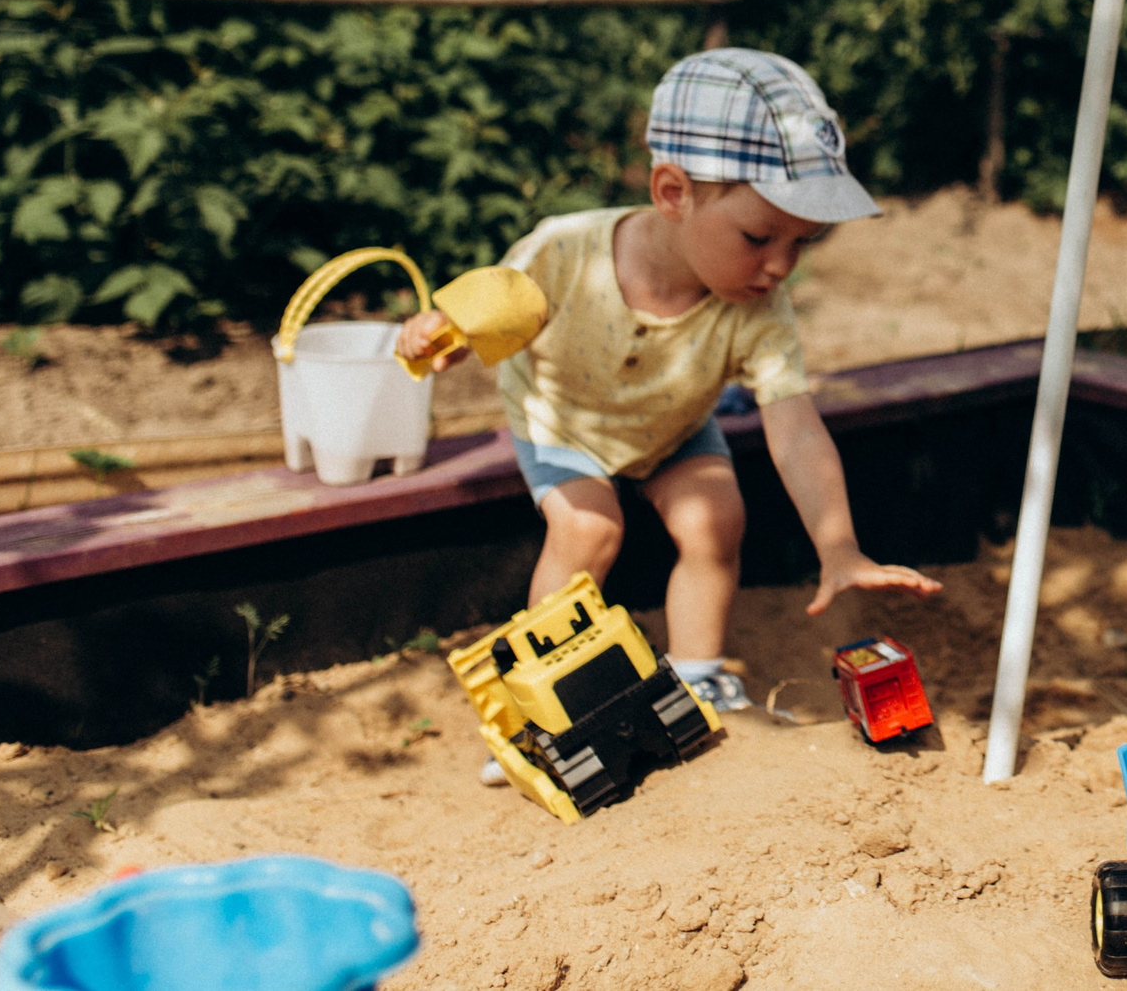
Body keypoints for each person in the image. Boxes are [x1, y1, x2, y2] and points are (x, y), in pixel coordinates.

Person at [399, 48, 941, 772]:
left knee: (715, 517)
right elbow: (489, 310)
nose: (781, 265)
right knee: (588, 528)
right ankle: (543, 710)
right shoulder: (564, 251)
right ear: (672, 191)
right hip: (562, 422)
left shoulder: (759, 309)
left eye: (801, 242)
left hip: (672, 426)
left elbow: (795, 429)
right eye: (759, 237)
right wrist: (448, 333)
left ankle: (696, 673)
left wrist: (838, 546)